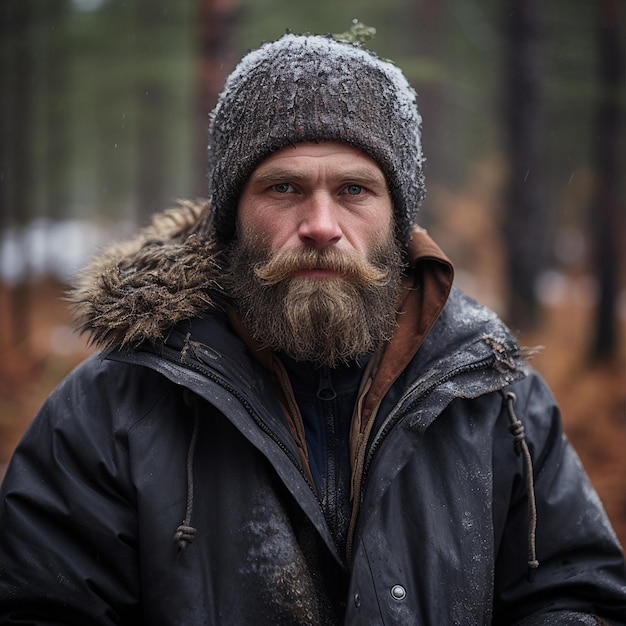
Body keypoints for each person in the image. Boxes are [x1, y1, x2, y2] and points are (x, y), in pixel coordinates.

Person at [0, 31, 624, 626]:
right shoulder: (111, 408)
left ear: (399, 220)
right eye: (284, 187)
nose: (321, 224)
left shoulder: (498, 400)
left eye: (354, 189)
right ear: (230, 219)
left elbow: (574, 592)